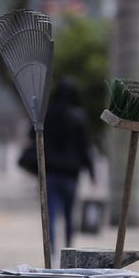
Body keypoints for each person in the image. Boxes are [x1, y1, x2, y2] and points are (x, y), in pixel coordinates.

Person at [39, 78, 95, 258]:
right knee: (70, 215)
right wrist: (91, 171)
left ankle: (53, 249)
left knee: (51, 215)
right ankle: (69, 248)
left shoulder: (48, 114)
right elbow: (84, 147)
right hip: (71, 173)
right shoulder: (79, 116)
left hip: (52, 171)